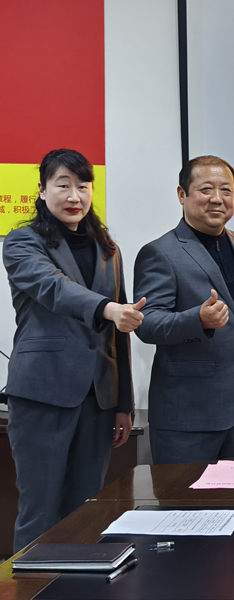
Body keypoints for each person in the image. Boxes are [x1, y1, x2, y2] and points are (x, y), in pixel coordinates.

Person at [2, 149, 143, 552]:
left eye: (83, 186)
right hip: (42, 394)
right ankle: (31, 583)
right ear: (42, 189)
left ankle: (75, 582)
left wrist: (123, 404)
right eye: (63, 185)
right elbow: (53, 287)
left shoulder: (108, 248)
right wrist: (107, 308)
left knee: (86, 510)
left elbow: (120, 331)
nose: (74, 196)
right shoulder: (22, 241)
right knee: (40, 510)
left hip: (98, 399)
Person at [134, 155, 234, 464]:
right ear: (182, 195)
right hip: (186, 416)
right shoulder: (160, 252)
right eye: (206, 189)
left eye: (226, 190)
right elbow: (146, 323)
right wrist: (198, 320)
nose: (217, 198)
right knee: (181, 497)